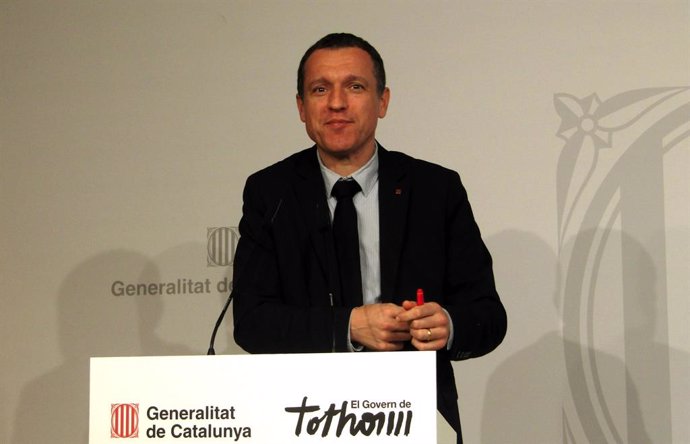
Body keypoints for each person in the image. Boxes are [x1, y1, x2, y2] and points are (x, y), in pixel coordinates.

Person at [231, 32, 507, 444]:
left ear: (383, 101)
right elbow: (252, 322)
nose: (337, 103)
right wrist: (349, 325)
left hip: (414, 415)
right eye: (320, 89)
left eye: (355, 87)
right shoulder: (271, 193)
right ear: (301, 108)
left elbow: (487, 314)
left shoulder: (435, 189)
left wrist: (447, 324)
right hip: (301, 415)